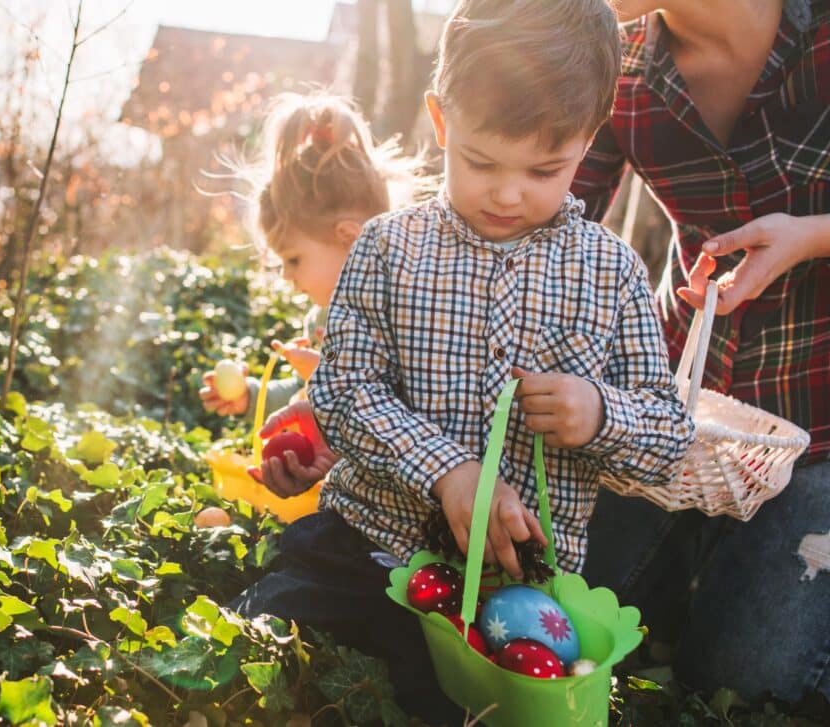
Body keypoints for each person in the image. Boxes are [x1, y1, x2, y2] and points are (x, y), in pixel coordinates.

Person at [232, 0, 695, 720]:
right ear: (441, 121)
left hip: (513, 597)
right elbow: (344, 391)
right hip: (366, 546)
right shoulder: (388, 248)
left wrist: (600, 413)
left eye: (544, 169)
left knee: (448, 703)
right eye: (480, 162)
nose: (507, 192)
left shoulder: (613, 274)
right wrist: (448, 470)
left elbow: (669, 440)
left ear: (589, 138)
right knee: (262, 645)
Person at [574, 0, 830, 704]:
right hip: (680, 401)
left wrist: (812, 236)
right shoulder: (615, 56)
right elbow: (544, 207)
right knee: (570, 617)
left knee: (742, 684)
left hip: (818, 422)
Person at [197, 92, 428, 491]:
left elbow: (415, 408)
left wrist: (330, 379)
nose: (287, 276)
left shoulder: (411, 310)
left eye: (294, 259)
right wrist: (250, 397)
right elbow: (302, 396)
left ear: (349, 238)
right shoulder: (322, 318)